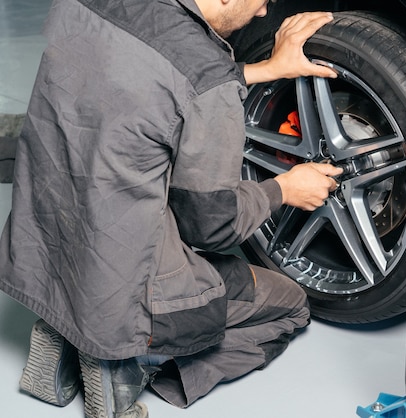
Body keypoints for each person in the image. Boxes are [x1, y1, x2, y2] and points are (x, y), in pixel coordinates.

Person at [0, 0, 342, 417]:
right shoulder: (206, 75)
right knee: (289, 306)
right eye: (261, 0)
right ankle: (128, 362)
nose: (262, 13)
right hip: (125, 290)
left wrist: (264, 71)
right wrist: (283, 190)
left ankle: (67, 329)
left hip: (43, 248)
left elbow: (144, 85)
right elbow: (211, 227)